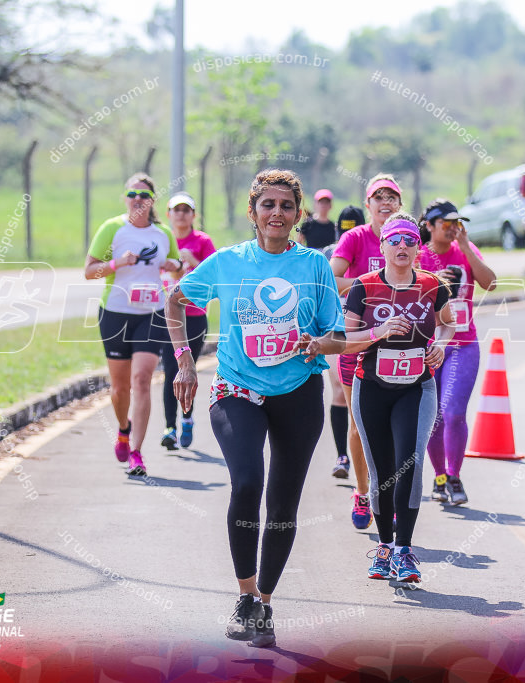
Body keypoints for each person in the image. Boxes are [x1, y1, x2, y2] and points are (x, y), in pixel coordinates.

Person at [167, 168, 347, 649]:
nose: (276, 213)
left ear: (297, 214)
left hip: (299, 393)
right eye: (267, 205)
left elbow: (340, 335)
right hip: (238, 388)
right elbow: (174, 299)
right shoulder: (228, 262)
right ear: (252, 212)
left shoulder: (313, 266)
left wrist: (319, 343)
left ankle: (264, 602)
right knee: (248, 481)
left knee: (283, 501)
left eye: (286, 206)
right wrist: (185, 363)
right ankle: (243, 594)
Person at [346, 212, 454, 582]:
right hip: (372, 387)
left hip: (417, 386)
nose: (403, 246)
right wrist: (379, 331)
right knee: (383, 471)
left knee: (410, 462)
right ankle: (384, 547)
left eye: (410, 239)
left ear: (418, 247)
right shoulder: (363, 286)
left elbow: (449, 322)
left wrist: (440, 344)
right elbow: (346, 340)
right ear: (382, 246)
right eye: (395, 240)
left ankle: (405, 551)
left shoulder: (433, 286)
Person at [85, 173, 184, 477]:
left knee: (142, 379)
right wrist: (116, 264)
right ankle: (124, 429)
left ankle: (137, 453)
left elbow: (179, 269)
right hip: (115, 313)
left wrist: (174, 266)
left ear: (153, 200)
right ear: (125, 199)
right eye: (132, 195)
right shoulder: (112, 229)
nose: (137, 200)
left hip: (151, 314)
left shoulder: (163, 234)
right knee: (119, 387)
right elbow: (89, 271)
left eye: (143, 195)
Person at [331, 174, 402, 529]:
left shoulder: (407, 236)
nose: (385, 202)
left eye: (392, 196)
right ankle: (362, 492)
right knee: (359, 425)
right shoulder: (355, 238)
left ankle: (388, 491)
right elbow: (331, 278)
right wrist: (368, 284)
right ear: (369, 204)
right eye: (379, 197)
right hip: (358, 341)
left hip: (401, 346)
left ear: (399, 204)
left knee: (394, 427)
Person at [417, 199, 496, 506]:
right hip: (427, 347)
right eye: (446, 224)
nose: (453, 230)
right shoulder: (418, 255)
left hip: (463, 344)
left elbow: (490, 284)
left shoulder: (466, 249)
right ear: (430, 226)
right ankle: (438, 476)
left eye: (457, 224)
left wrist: (465, 249)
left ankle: (454, 475)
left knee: (453, 412)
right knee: (433, 418)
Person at [159, 193, 216, 450]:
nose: (181, 214)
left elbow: (216, 275)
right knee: (170, 371)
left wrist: (194, 262)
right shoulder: (163, 239)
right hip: (165, 317)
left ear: (194, 215)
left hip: (193, 316)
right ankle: (170, 427)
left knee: (187, 369)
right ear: (169, 214)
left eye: (186, 209)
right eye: (176, 209)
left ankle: (187, 417)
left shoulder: (202, 241)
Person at [322, 205, 367, 479]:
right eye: (343, 231)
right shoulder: (329, 253)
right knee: (339, 389)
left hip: (368, 328)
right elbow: (324, 286)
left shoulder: (375, 247)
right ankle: (343, 456)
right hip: (336, 328)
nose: (346, 236)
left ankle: (365, 453)